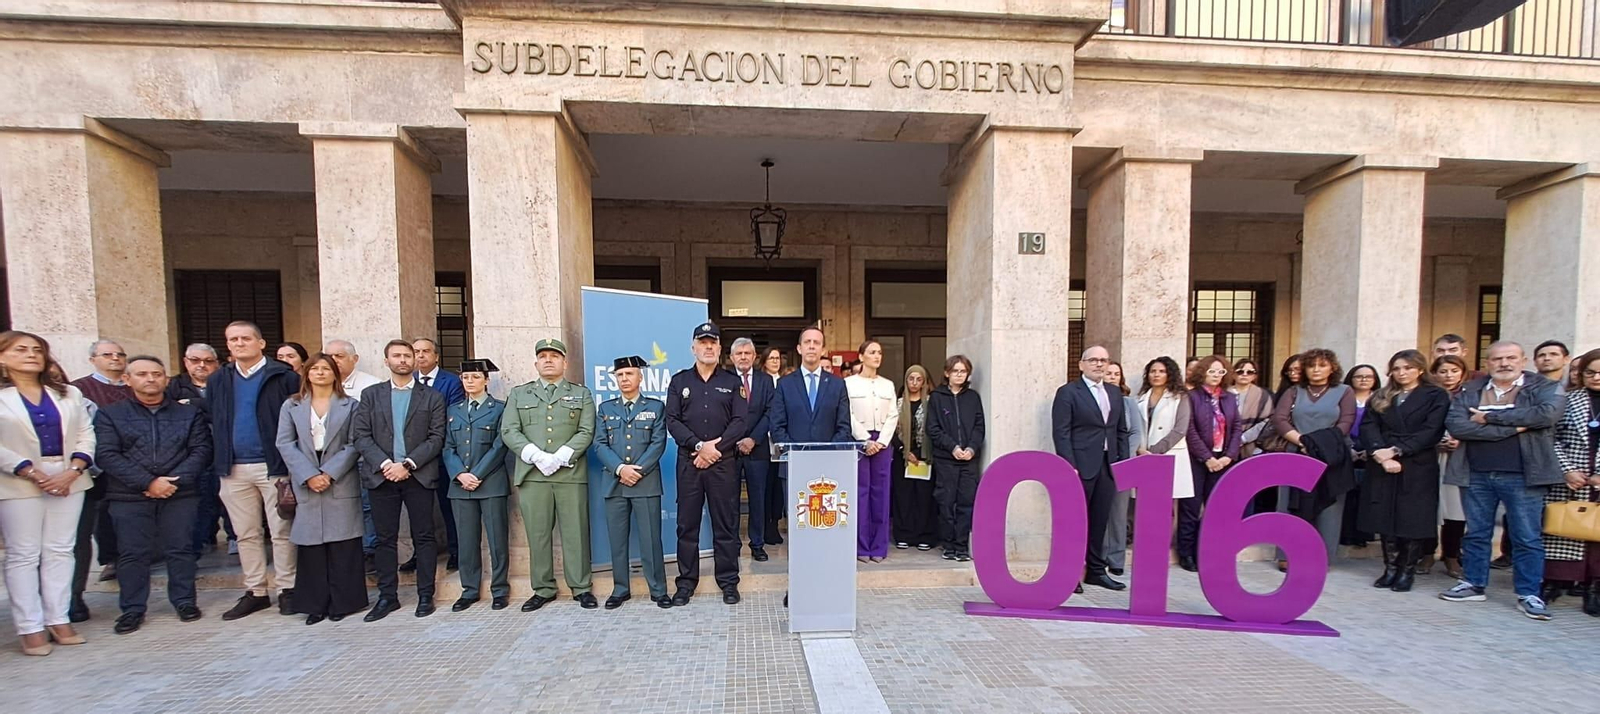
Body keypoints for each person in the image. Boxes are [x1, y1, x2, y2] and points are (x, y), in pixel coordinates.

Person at [1439, 341, 1563, 621]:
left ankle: (1529, 594)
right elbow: (1457, 425)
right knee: (1476, 533)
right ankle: (1473, 583)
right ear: (1488, 362)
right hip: (1476, 473)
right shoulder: (1472, 389)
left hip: (1524, 474)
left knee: (1527, 536)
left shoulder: (1542, 386)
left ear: (1523, 359)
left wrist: (1488, 418)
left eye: (1510, 358)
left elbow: (1546, 415)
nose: (1504, 363)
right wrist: (1514, 427)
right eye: (1497, 359)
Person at [95, 355, 211, 635]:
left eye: (157, 374)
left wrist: (174, 481)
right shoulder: (111, 414)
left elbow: (201, 450)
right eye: (142, 374)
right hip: (129, 495)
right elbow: (107, 454)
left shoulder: (188, 413)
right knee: (133, 553)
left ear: (166, 380)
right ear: (128, 379)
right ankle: (132, 609)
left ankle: (184, 601)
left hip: (179, 493)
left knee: (180, 549)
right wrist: (148, 482)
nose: (150, 379)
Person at [0, 331, 95, 656]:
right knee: (23, 554)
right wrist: (28, 469)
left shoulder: (67, 393)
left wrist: (75, 468)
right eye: (21, 349)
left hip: (68, 476)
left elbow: (86, 432)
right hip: (17, 479)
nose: (31, 354)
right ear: (2, 356)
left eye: (37, 349)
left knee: (60, 549)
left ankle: (58, 617)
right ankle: (30, 626)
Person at [209, 321, 301, 620]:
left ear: (261, 343)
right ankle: (256, 591)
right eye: (233, 339)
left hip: (273, 466)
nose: (239, 343)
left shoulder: (282, 377)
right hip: (233, 467)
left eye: (245, 338)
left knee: (282, 531)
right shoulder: (219, 380)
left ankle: (288, 588)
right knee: (245, 533)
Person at [351, 339, 447, 620]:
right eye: (397, 356)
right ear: (387, 361)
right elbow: (361, 436)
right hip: (382, 477)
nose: (403, 360)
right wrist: (385, 464)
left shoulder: (431, 397)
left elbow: (436, 437)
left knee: (424, 536)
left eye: (408, 355)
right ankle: (387, 596)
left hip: (418, 475)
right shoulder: (371, 395)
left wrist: (407, 464)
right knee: (385, 539)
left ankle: (425, 595)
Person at [501, 338, 597, 611]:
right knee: (538, 534)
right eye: (542, 356)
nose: (548, 360)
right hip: (533, 474)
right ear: (536, 363)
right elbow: (509, 430)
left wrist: (561, 456)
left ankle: (580, 587)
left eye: (554, 356)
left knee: (575, 533)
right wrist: (536, 455)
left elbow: (586, 431)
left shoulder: (581, 394)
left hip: (570, 473)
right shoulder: (520, 394)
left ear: (565, 362)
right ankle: (542, 588)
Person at [274, 353, 367, 625]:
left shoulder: (351, 405)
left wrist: (329, 472)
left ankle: (344, 602)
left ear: (335, 374)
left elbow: (355, 442)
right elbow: (285, 443)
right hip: (306, 479)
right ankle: (315, 604)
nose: (321, 373)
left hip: (339, 478)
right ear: (306, 373)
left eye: (326, 368)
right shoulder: (292, 405)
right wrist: (308, 474)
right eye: (315, 369)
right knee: (312, 547)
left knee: (343, 545)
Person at [665, 323, 748, 606]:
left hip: (722, 464)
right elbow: (672, 421)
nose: (708, 346)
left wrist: (715, 448)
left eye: (713, 342)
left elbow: (740, 422)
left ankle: (728, 582)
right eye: (703, 342)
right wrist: (699, 446)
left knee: (725, 525)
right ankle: (686, 583)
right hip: (689, 462)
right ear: (693, 347)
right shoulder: (679, 381)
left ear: (720, 348)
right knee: (686, 526)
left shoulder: (733, 382)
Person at [1357, 350, 1449, 593]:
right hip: (1382, 462)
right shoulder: (1381, 396)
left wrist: (1398, 450)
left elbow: (1432, 430)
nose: (1402, 373)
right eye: (1397, 368)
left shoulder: (1435, 395)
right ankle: (1390, 568)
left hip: (1417, 463)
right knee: (1385, 517)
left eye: (1407, 368)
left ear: (1420, 369)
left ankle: (1406, 571)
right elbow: (1368, 426)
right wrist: (1379, 452)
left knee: (1412, 519)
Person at [592, 355, 671, 610]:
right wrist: (620, 469)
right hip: (615, 482)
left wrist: (636, 470)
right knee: (617, 540)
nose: (624, 379)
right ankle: (620, 588)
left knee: (651, 539)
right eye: (620, 375)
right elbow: (599, 443)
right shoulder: (606, 408)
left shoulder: (656, 406)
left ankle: (658, 590)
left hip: (645, 482)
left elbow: (658, 443)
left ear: (640, 377)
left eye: (629, 374)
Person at [1050, 346, 1129, 591]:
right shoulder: (1068, 393)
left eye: (1103, 360)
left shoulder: (1115, 393)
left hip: (1107, 467)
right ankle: (1069, 573)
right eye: (1093, 360)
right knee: (1075, 522)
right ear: (1081, 364)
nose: (1099, 364)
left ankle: (1096, 571)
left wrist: (1122, 463)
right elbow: (1061, 432)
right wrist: (1069, 464)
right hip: (1080, 467)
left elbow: (1121, 431)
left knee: (1100, 521)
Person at [1270, 347, 1356, 568]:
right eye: (1311, 365)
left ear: (1332, 368)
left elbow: (1345, 422)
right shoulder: (1294, 392)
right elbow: (1280, 420)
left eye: (1322, 365)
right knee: (1289, 504)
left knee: (1329, 507)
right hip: (1296, 452)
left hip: (1331, 455)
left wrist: (1317, 446)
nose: (1316, 370)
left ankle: (1321, 556)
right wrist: (1303, 442)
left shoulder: (1344, 391)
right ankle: (1287, 554)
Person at [441, 359, 511, 612]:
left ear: (486, 380)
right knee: (467, 541)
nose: (470, 381)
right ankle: (469, 589)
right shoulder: (453, 410)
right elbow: (447, 447)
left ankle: (500, 589)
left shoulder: (500, 408)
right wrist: (460, 474)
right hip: (460, 485)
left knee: (497, 539)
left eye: (475, 377)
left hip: (490, 483)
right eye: (465, 377)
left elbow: (500, 445)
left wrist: (477, 474)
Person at [68, 339, 130, 614]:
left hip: (132, 468)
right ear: (93, 359)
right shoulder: (78, 390)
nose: (115, 359)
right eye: (107, 355)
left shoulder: (134, 386)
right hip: (91, 469)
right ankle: (74, 596)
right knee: (88, 529)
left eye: (120, 354)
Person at [1547, 348, 1600, 616]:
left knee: (1596, 538)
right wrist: (1567, 470)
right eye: (1590, 372)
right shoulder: (1566, 399)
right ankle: (1555, 582)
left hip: (1599, 479)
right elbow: (1550, 438)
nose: (1596, 377)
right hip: (1571, 478)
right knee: (1564, 531)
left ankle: (1593, 588)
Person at [325, 338, 386, 569]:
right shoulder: (319, 386)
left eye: (339, 356)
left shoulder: (370, 386)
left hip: (363, 459)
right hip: (328, 461)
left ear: (354, 359)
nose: (333, 361)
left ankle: (369, 552)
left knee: (367, 506)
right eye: (329, 356)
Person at [1177, 356, 1241, 573]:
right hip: (1198, 460)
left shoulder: (1230, 399)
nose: (1216, 376)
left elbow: (1237, 429)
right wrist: (1207, 458)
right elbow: (1189, 430)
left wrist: (1228, 456)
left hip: (1222, 460)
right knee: (1191, 508)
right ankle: (1186, 553)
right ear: (1202, 372)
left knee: (1215, 509)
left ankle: (1207, 552)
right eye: (1212, 371)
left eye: (1220, 372)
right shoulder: (1191, 397)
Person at [413, 337, 465, 572]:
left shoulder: (452, 382)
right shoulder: (407, 382)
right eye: (416, 352)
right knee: (418, 509)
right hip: (413, 458)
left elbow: (451, 418)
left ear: (436, 356)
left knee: (448, 505)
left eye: (426, 351)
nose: (420, 356)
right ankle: (419, 552)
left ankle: (455, 550)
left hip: (442, 454)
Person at [847, 339, 899, 563]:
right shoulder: (849, 383)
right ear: (861, 357)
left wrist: (882, 441)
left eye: (879, 353)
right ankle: (860, 547)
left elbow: (893, 414)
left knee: (881, 493)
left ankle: (878, 547)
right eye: (872, 352)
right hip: (860, 441)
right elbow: (846, 414)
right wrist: (865, 440)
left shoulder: (887, 385)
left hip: (882, 442)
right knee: (860, 493)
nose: (877, 356)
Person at [729, 338, 776, 561]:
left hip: (757, 450)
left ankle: (757, 544)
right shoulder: (724, 379)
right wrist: (737, 440)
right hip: (730, 449)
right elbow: (722, 414)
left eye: (748, 353)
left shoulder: (766, 381)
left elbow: (771, 412)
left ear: (755, 356)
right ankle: (733, 544)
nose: (744, 357)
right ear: (731, 358)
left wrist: (753, 439)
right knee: (730, 500)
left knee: (758, 499)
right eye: (739, 353)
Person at [1431, 355, 1471, 579]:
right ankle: (1427, 552)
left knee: (1455, 509)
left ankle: (1451, 554)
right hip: (1431, 455)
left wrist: (1461, 440)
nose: (1448, 376)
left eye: (1453, 371)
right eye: (1443, 371)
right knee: (1429, 506)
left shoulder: (1470, 394)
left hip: (1461, 457)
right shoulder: (1428, 394)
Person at [1102, 361, 1144, 576]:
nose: (1112, 376)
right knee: (1100, 512)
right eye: (1108, 373)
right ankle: (1098, 556)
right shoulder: (1096, 400)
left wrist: (1124, 457)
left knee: (1118, 513)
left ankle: (1116, 559)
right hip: (1099, 463)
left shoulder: (1128, 403)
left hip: (1122, 462)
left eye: (1116, 374)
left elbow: (1136, 432)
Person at [891, 364, 939, 552]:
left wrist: (919, 454)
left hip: (924, 458)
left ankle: (924, 536)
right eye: (911, 378)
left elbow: (934, 428)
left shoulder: (931, 403)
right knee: (904, 497)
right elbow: (891, 431)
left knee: (924, 497)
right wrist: (904, 450)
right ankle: (904, 535)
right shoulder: (898, 403)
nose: (914, 383)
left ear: (924, 382)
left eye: (919, 379)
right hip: (902, 457)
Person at [1136, 356, 1193, 513]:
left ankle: (1168, 538)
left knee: (1169, 507)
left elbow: (1180, 429)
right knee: (1147, 504)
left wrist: (1154, 451)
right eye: (1153, 371)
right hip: (1143, 455)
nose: (1156, 374)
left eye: (1162, 371)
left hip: (1169, 454)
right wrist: (1141, 450)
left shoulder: (1180, 397)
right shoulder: (1141, 398)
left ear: (1170, 374)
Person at [1341, 364, 1382, 549]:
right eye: (1359, 376)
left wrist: (1371, 450)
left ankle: (1363, 534)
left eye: (1368, 376)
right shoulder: (1343, 398)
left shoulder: (1381, 400)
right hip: (1346, 448)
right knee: (1347, 493)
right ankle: (1346, 533)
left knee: (1367, 494)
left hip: (1372, 450)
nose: (1364, 380)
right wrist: (1348, 447)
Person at [1230, 358, 1275, 458]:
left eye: (1249, 372)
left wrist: (1244, 438)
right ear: (1233, 374)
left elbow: (1268, 421)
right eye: (1240, 371)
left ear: (1254, 376)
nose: (1244, 374)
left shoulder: (1263, 395)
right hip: (1224, 444)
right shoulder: (1223, 394)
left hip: (1252, 445)